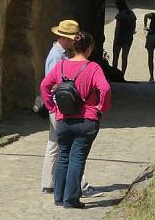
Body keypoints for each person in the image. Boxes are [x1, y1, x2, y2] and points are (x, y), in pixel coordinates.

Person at [41, 31, 112, 209]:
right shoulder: (93, 68)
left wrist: (51, 106)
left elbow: (44, 85)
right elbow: (105, 89)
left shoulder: (61, 66)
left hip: (63, 119)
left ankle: (59, 197)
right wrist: (101, 108)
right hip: (86, 119)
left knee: (63, 156)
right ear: (88, 49)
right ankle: (71, 200)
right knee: (77, 159)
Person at [40, 20, 95, 198]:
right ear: (65, 38)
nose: (74, 42)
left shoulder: (61, 53)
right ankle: (81, 185)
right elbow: (50, 84)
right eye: (73, 39)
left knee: (54, 144)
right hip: (60, 106)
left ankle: (48, 183)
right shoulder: (56, 56)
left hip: (58, 105)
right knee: (71, 145)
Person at [112, 0, 137, 77]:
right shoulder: (132, 14)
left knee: (115, 57)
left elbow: (117, 29)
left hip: (119, 38)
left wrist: (115, 40)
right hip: (128, 38)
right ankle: (122, 74)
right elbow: (134, 28)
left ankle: (114, 74)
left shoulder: (120, 15)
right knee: (124, 58)